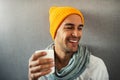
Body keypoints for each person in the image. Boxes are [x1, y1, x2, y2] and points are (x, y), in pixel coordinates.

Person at [28, 6, 109, 80]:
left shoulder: (95, 66)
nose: (76, 34)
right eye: (69, 27)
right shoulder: (40, 64)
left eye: (79, 28)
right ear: (55, 32)